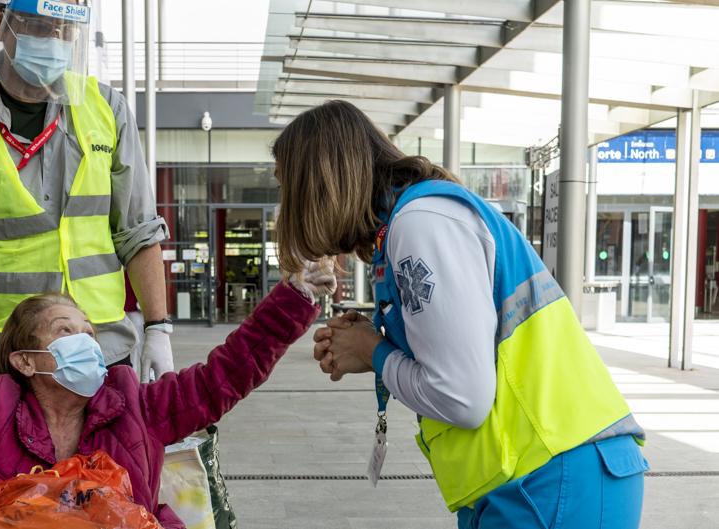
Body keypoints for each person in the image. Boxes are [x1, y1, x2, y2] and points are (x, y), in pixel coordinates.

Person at [0, 169, 336, 529]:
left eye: (88, 330)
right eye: (67, 331)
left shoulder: (140, 406)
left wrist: (297, 297)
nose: (87, 341)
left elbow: (231, 371)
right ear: (25, 360)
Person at [272, 101, 648, 529]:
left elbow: (460, 397)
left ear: (319, 183)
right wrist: (372, 348)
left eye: (290, 188)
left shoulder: (420, 224)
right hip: (535, 473)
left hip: (551, 478)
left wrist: (373, 350)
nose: (290, 207)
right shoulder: (415, 221)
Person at [0, 1, 171, 522]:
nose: (52, 39)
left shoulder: (105, 109)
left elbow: (139, 230)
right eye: (36, 26)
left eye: (63, 28)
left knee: (109, 509)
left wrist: (159, 329)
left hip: (97, 362)